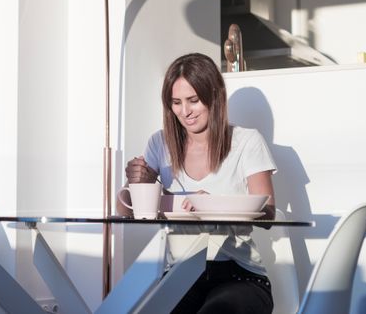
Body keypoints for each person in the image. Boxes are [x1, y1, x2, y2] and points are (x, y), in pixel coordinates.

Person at [116, 52, 276, 314]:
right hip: (179, 273)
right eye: (176, 102)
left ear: (214, 95)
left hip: (238, 274)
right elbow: (124, 211)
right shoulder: (160, 143)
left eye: (193, 100)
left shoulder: (247, 141)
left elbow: (268, 214)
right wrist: (136, 183)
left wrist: (211, 204)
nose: (185, 112)